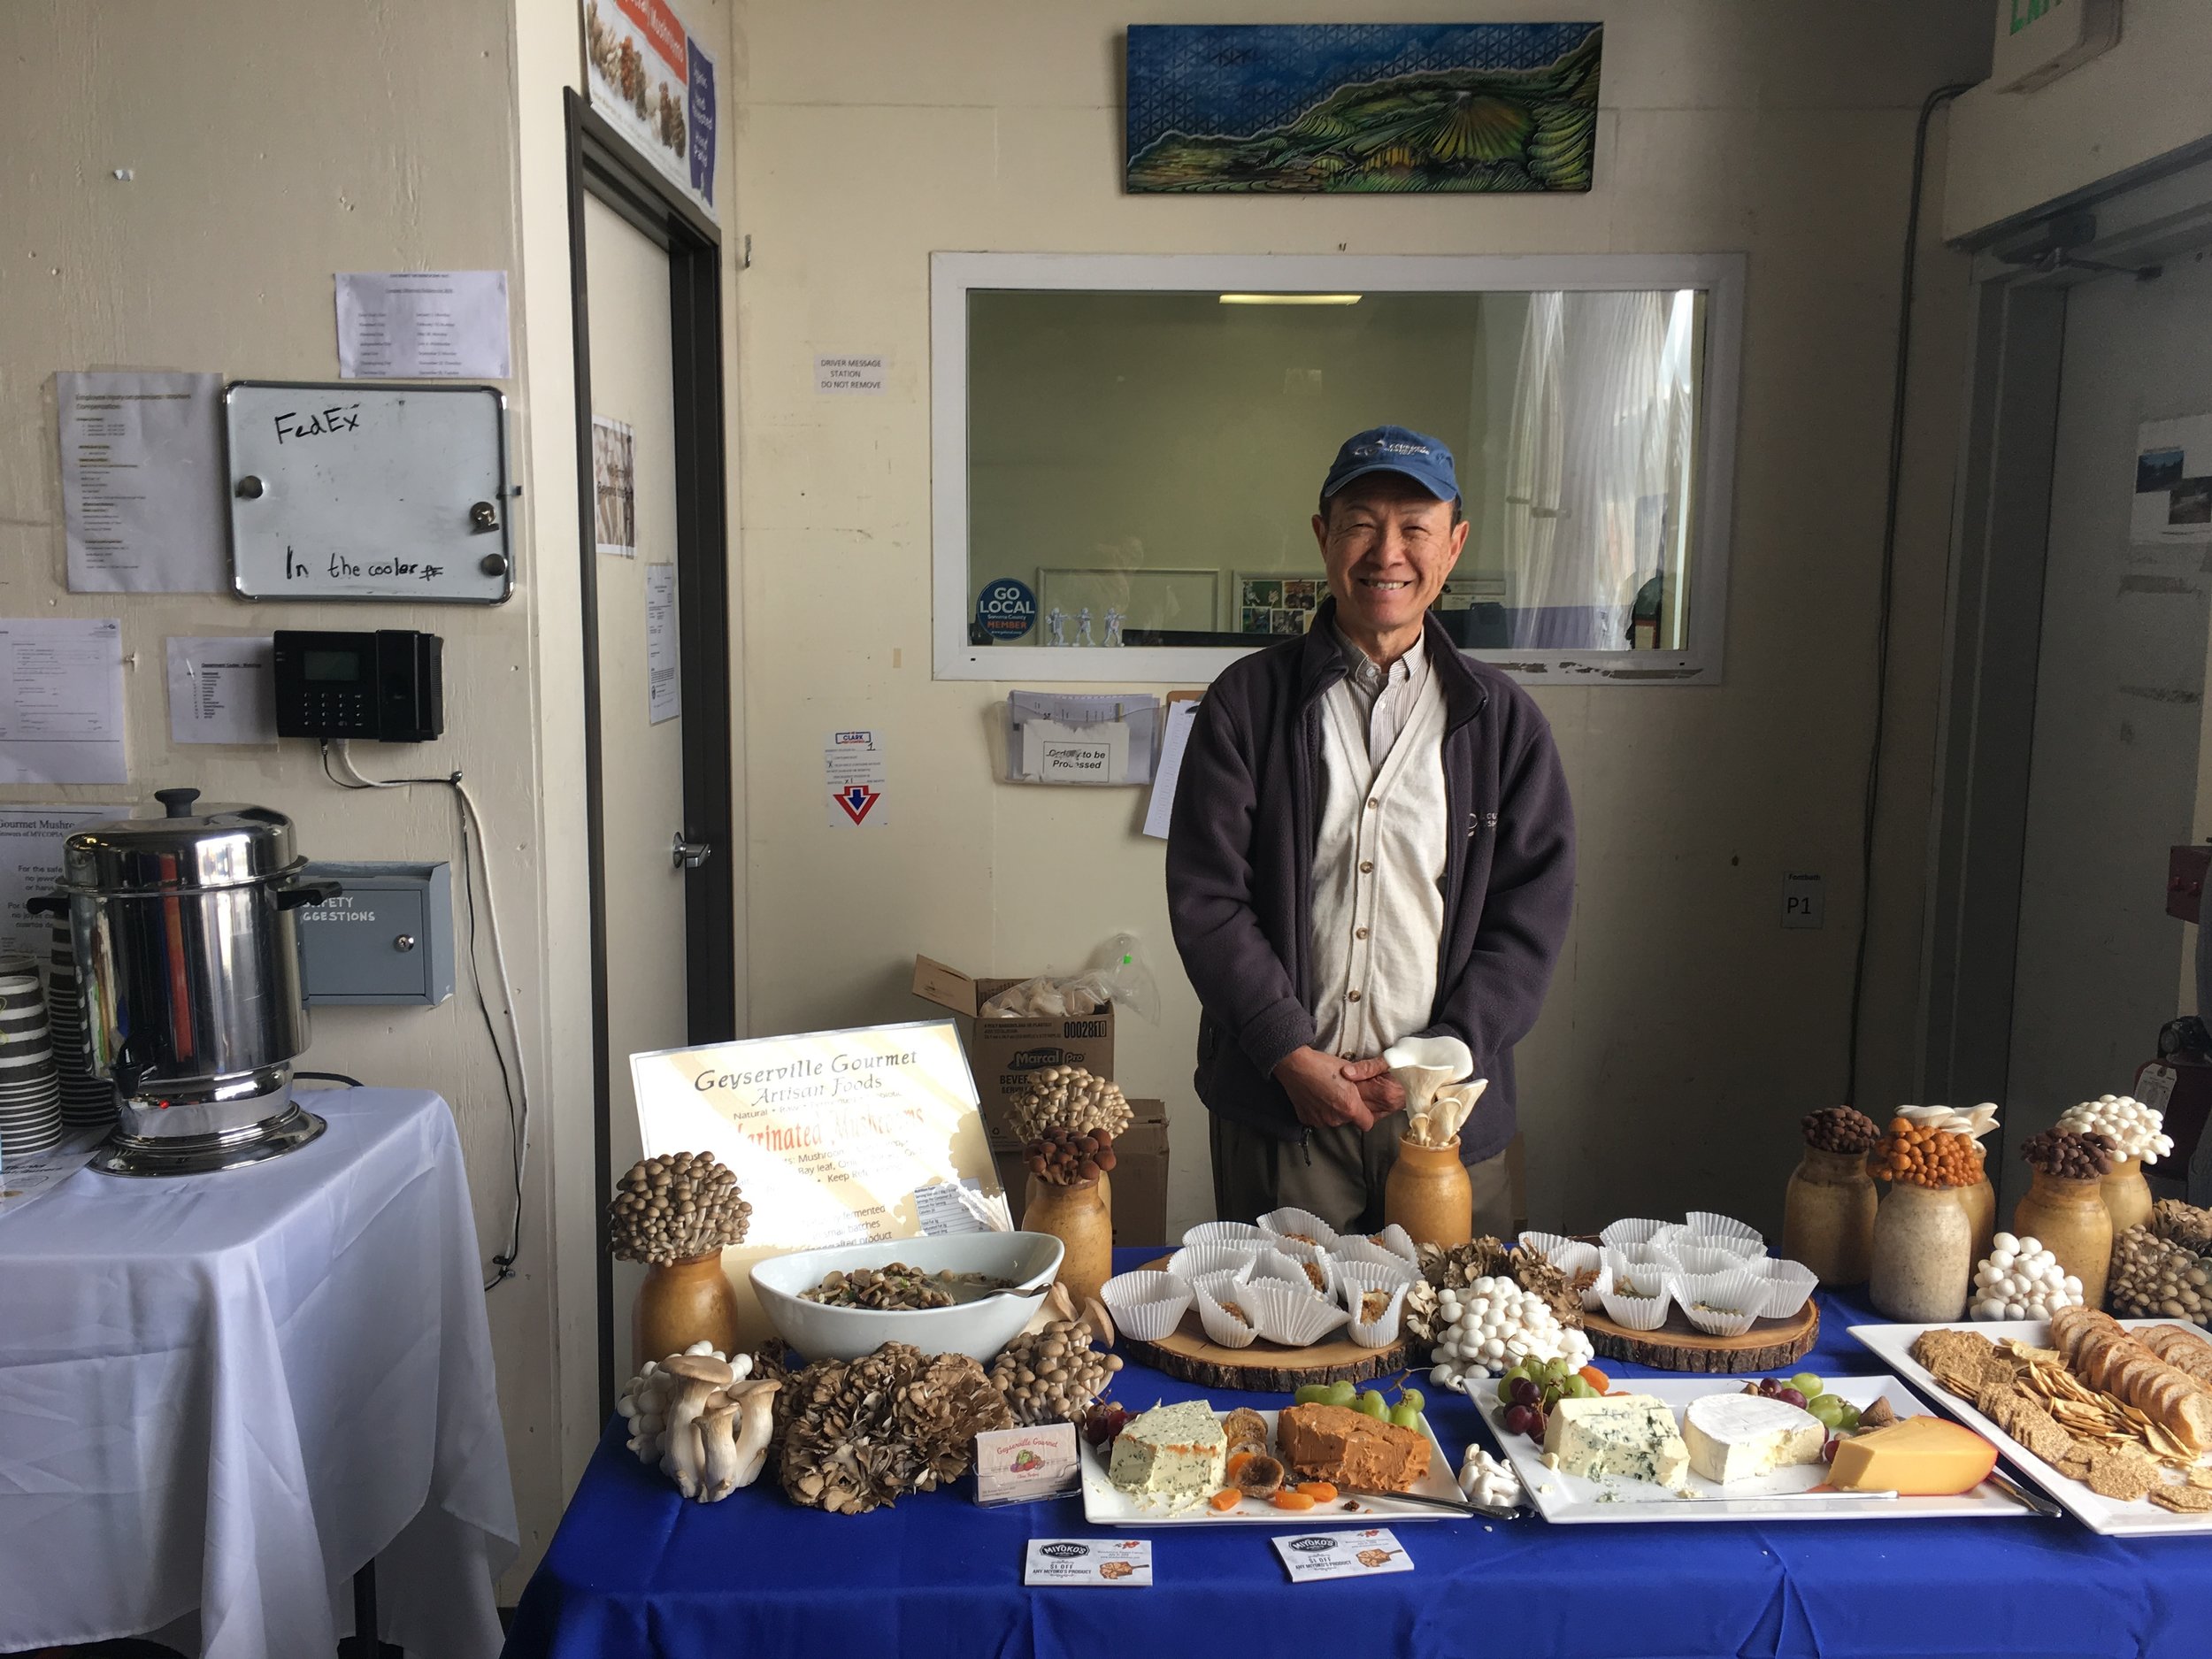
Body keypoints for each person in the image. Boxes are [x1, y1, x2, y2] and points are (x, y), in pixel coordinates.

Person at [1165, 426, 1576, 1236]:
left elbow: (1529, 920)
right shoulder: (1245, 704)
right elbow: (1209, 899)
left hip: (1442, 1116)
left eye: (1415, 526)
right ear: (1323, 536)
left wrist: (1447, 1049)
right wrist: (1286, 1049)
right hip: (1284, 1112)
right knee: (1282, 1344)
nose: (1387, 551)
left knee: (1454, 1343)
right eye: (1361, 522)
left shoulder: (1503, 724)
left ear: (1453, 546)